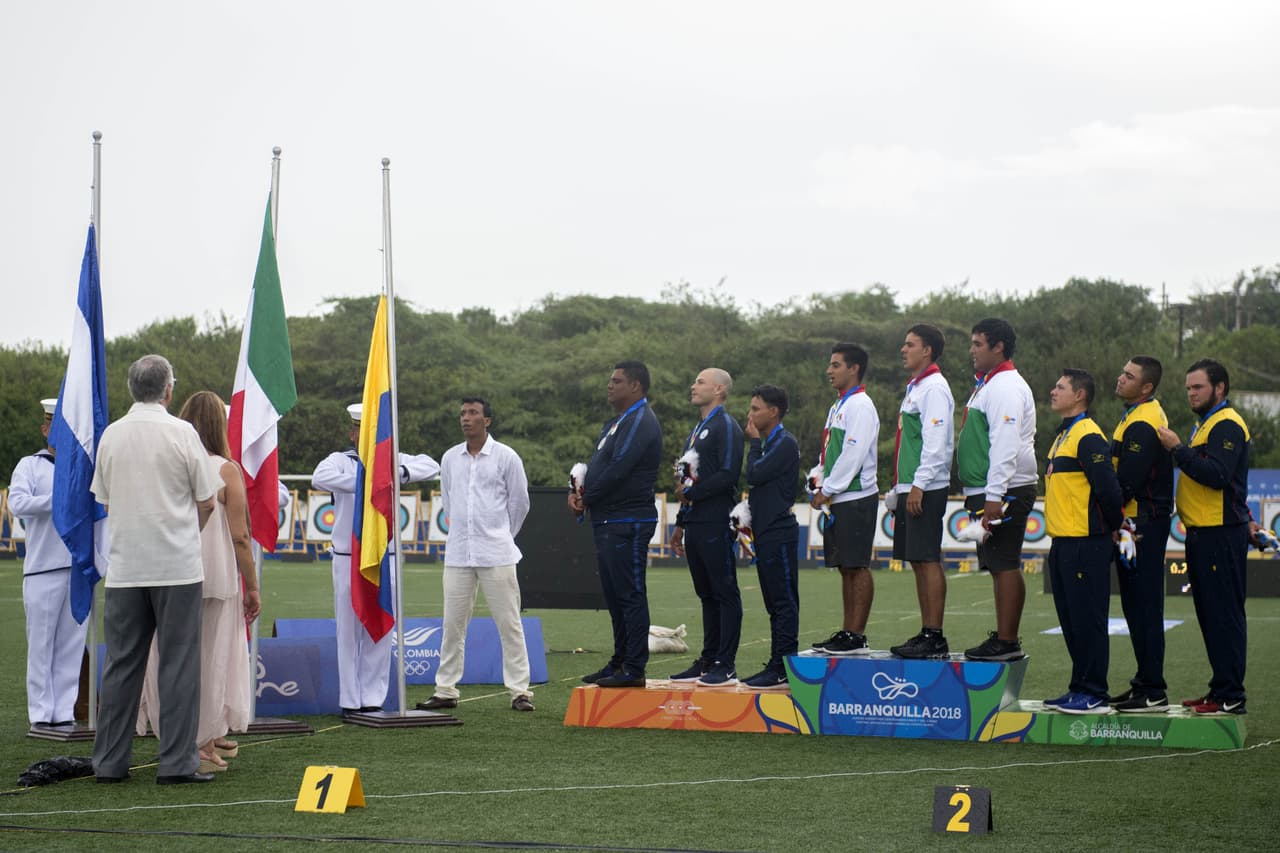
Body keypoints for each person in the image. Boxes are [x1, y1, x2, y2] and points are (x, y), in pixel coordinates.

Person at [90, 355, 220, 784]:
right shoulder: (182, 433)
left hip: (126, 568)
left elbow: (105, 500)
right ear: (168, 390)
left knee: (121, 667)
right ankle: (177, 763)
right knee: (179, 665)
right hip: (177, 567)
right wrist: (186, 532)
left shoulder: (111, 435)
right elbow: (206, 500)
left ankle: (109, 762)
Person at [311, 403, 440, 714]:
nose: (361, 435)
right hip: (347, 555)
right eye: (357, 429)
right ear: (352, 432)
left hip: (385, 554)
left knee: (380, 624)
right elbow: (319, 477)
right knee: (348, 627)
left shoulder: (392, 460)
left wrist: (395, 473)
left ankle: (372, 697)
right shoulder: (340, 461)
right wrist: (368, 479)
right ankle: (350, 699)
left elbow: (431, 465)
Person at [1157, 359, 1259, 716]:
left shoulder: (1226, 424)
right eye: (1188, 388)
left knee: (1224, 615)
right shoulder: (1207, 424)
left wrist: (1176, 449)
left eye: (1197, 387)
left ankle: (1231, 695)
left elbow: (1217, 475)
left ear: (1220, 388)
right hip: (1204, 533)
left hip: (1219, 535)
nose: (1191, 393)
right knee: (1211, 615)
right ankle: (1220, 689)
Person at [420, 397, 535, 713]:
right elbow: (448, 499)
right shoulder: (450, 458)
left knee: (509, 623)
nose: (466, 418)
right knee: (452, 625)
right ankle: (445, 690)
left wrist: (501, 536)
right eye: (462, 413)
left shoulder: (506, 457)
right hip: (458, 553)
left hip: (497, 553)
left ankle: (520, 691)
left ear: (488, 421)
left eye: (473, 413)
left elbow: (520, 503)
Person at [569, 360, 663, 688]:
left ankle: (634, 668)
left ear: (635, 386)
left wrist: (588, 496)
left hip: (628, 519)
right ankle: (620, 660)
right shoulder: (618, 422)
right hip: (609, 518)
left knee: (629, 593)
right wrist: (578, 492)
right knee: (614, 593)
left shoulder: (640, 419)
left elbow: (620, 467)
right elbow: (601, 465)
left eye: (617, 381)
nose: (610, 385)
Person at [1042, 369, 1124, 714]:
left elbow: (1107, 488)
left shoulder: (1088, 435)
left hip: (1085, 542)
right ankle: (1079, 686)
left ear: (1079, 396)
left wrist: (1112, 528)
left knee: (1088, 618)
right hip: (1063, 541)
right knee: (1072, 619)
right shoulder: (1064, 435)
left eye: (1060, 387)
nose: (1052, 390)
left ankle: (1094, 691)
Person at [956, 318, 1037, 661]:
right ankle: (1003, 638)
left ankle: (1007, 641)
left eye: (977, 344)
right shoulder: (990, 384)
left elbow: (1004, 443)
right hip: (993, 488)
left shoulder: (1005, 386)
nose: (971, 350)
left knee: (1004, 563)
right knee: (996, 562)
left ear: (998, 347)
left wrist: (994, 496)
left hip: (1006, 489)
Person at [10, 398, 89, 728]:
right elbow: (18, 503)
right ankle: (41, 716)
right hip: (42, 569)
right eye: (53, 426)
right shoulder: (30, 465)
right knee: (41, 647)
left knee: (71, 648)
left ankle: (64, 713)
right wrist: (58, 501)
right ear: (45, 429)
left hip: (77, 570)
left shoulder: (84, 468)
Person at [668, 368, 745, 686]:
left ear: (719, 390)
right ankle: (707, 659)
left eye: (700, 381)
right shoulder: (697, 429)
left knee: (724, 592)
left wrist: (691, 494)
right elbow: (688, 479)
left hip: (716, 519)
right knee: (706, 594)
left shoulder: (726, 426)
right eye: (694, 379)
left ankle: (725, 664)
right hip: (696, 521)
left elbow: (728, 475)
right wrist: (680, 523)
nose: (692, 385)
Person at [1108, 356, 1174, 713]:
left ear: (1146, 387)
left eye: (1129, 376)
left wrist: (1104, 512)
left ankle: (1153, 690)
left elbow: (1127, 483)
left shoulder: (1145, 421)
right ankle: (1144, 683)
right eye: (1123, 371)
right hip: (1137, 524)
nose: (1121, 378)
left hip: (1142, 524)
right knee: (1136, 605)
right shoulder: (1136, 414)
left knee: (1145, 605)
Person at [887, 324, 956, 659]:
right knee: (917, 559)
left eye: (910, 344)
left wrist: (918, 484)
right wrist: (900, 486)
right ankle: (926, 632)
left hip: (926, 486)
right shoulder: (917, 386)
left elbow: (935, 442)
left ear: (927, 350)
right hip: (912, 484)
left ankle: (935, 635)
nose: (903, 349)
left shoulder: (934, 388)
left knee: (927, 559)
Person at [809, 343, 880, 655]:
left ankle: (857, 634)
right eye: (830, 364)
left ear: (854, 369)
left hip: (855, 496)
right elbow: (830, 454)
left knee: (856, 565)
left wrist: (829, 488)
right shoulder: (838, 405)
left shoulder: (860, 405)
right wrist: (817, 479)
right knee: (844, 567)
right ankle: (847, 632)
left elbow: (853, 453)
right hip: (839, 496)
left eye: (836, 364)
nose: (829, 370)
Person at [740, 384, 801, 688]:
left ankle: (783, 666)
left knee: (783, 601)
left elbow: (754, 474)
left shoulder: (784, 443)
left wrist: (752, 443)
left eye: (755, 409)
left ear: (773, 412)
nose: (749, 415)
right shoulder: (770, 443)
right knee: (774, 601)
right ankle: (778, 664)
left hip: (779, 531)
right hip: (767, 532)